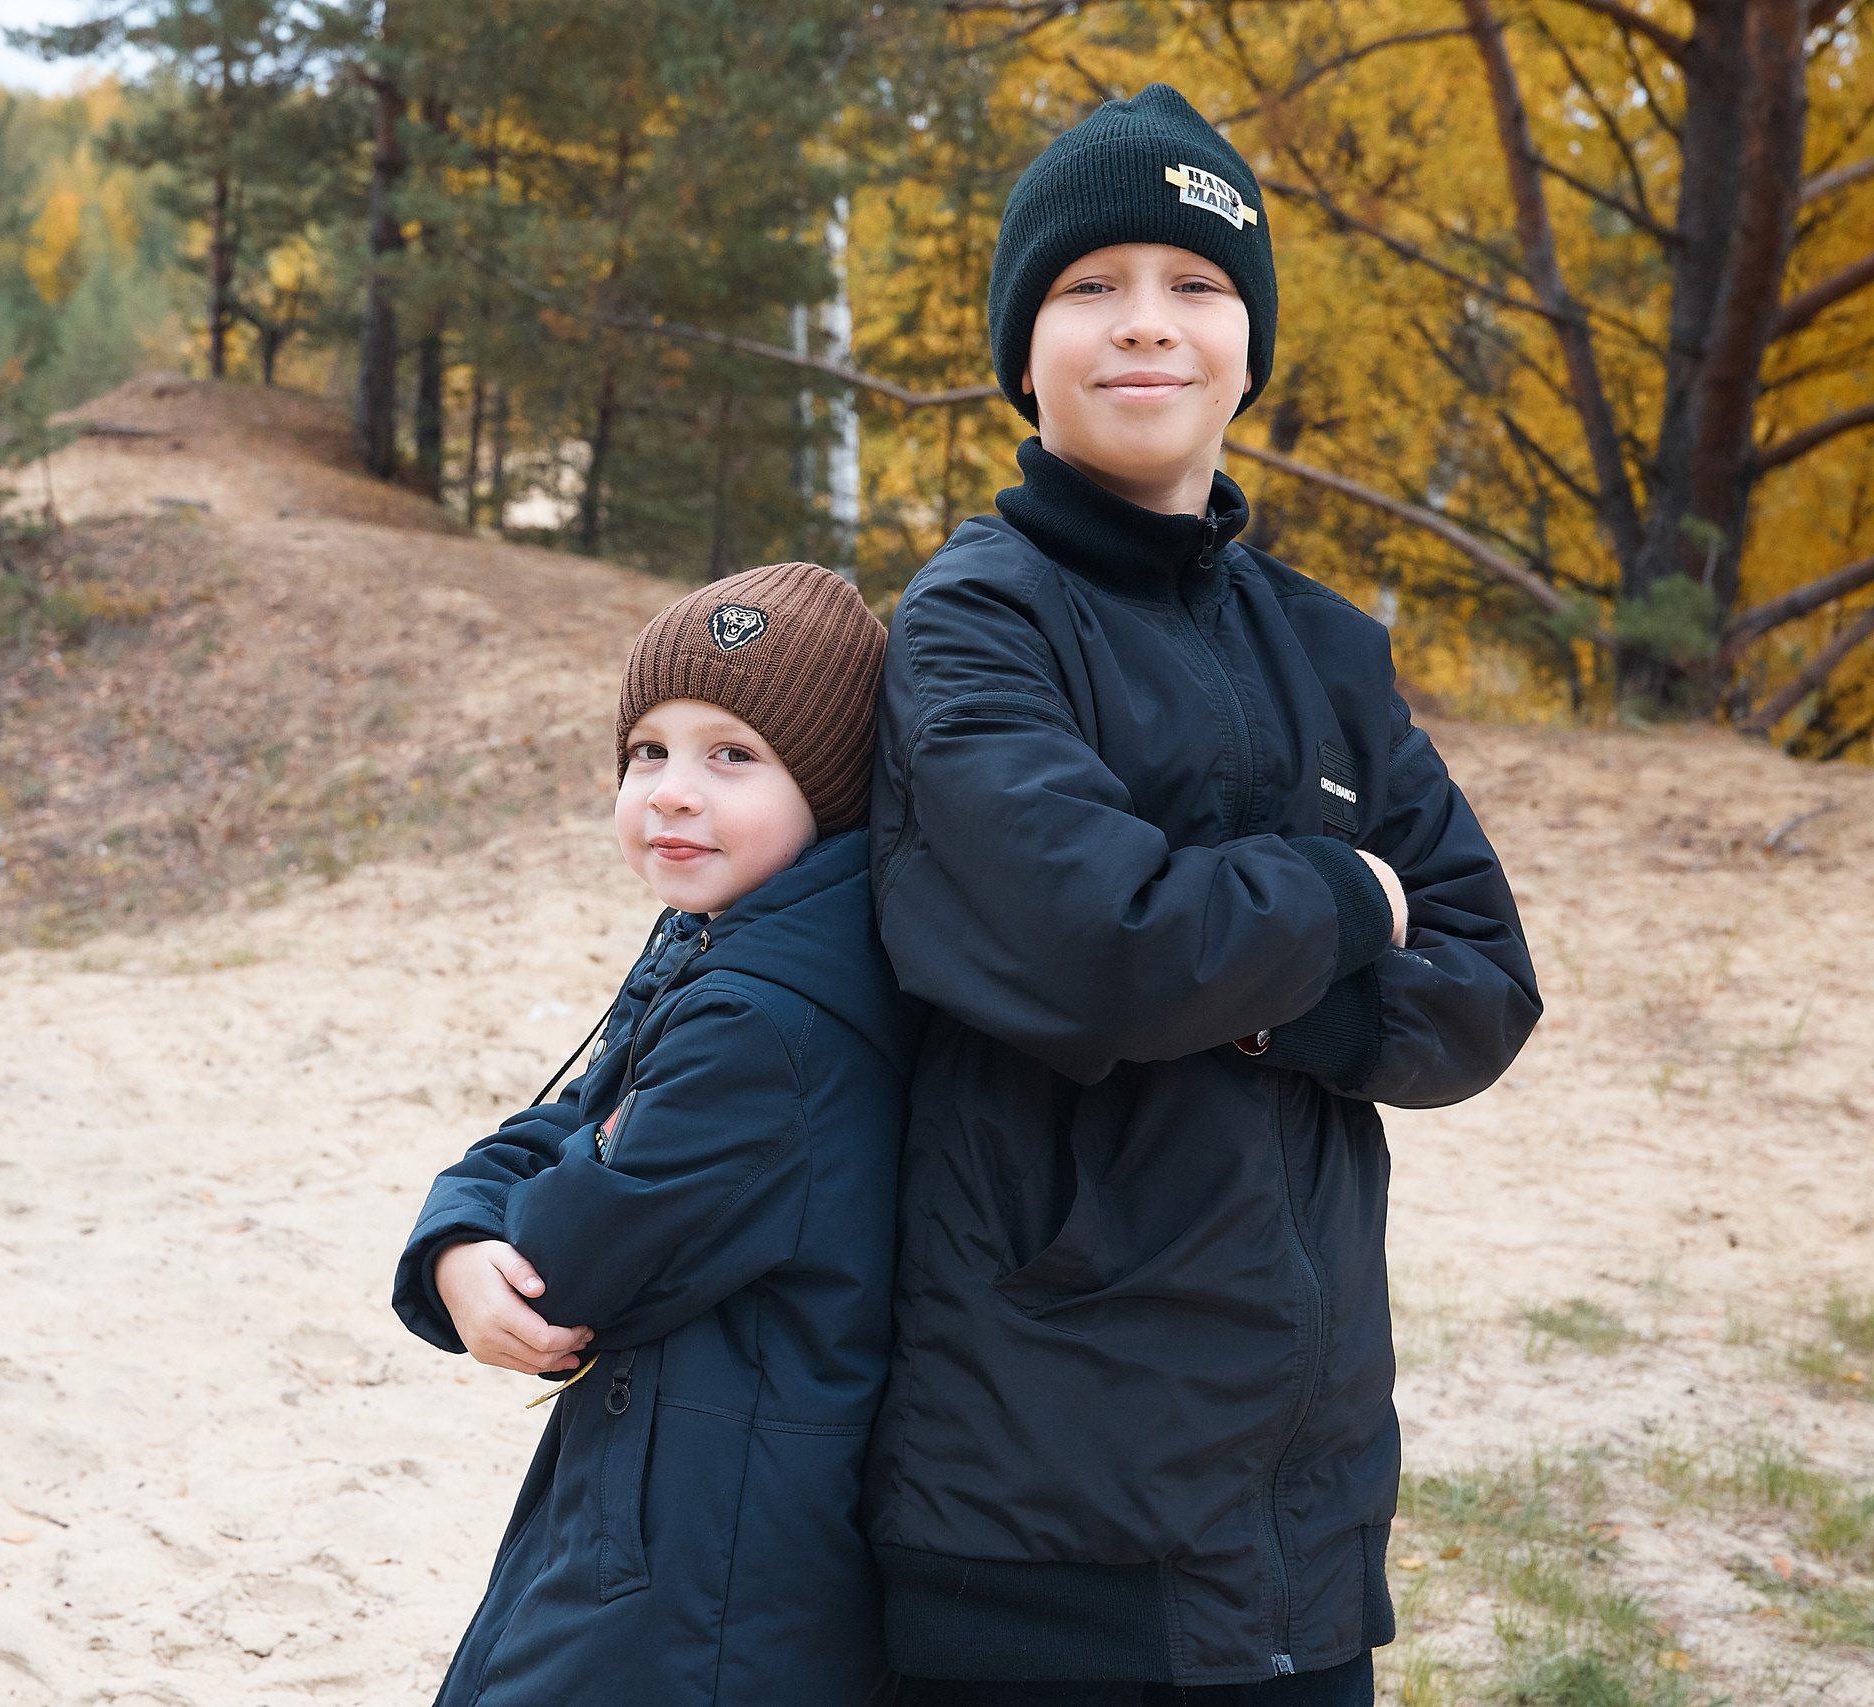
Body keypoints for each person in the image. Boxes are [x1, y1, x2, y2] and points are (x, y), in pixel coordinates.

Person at [862, 85, 1541, 1705]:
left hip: (1301, 1518)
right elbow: (1106, 946)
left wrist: (1243, 979)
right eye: (1091, 287)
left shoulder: (1327, 648)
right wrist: (1336, 891)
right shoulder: (973, 625)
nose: (1145, 327)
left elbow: (1490, 985)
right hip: (1040, 1503)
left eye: (1196, 285)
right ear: (1023, 349)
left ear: (1250, 345)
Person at [392, 560, 919, 1707]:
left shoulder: (759, 1019)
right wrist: (456, 1236)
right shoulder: (723, 945)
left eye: (733, 755)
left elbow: (568, 1261)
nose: (673, 791)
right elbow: (573, 1123)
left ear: (831, 788)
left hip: (706, 1565)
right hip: (693, 1504)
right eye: (648, 751)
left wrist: (489, 1225)